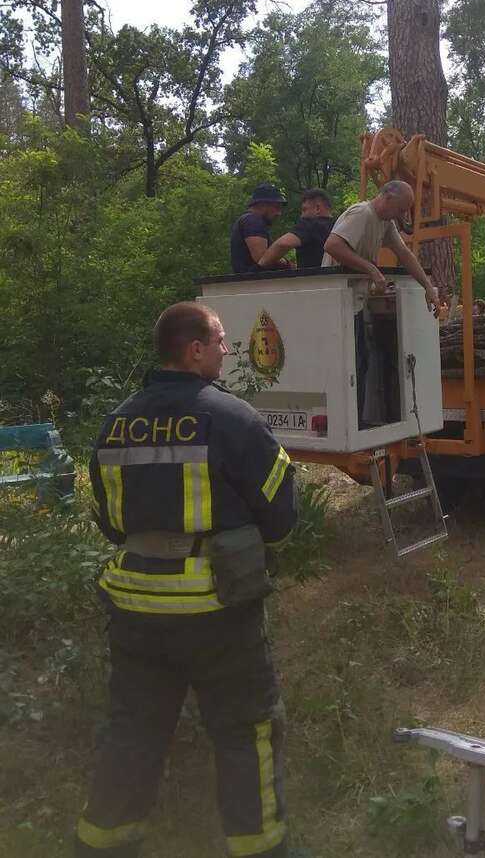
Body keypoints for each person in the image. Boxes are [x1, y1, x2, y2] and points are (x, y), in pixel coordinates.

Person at [75, 302, 296, 858]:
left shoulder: (114, 423)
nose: (226, 350)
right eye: (220, 340)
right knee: (246, 730)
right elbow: (281, 518)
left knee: (132, 731)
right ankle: (259, 846)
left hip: (135, 615)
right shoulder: (233, 419)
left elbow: (109, 522)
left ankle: (102, 843)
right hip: (218, 611)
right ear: (194, 349)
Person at [321, 179, 439, 312]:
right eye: (401, 210)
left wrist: (427, 287)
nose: (402, 216)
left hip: (353, 300)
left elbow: (404, 254)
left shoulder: (386, 223)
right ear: (388, 197)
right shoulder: (363, 213)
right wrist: (372, 270)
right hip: (335, 297)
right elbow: (332, 245)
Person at [256, 188, 335, 270]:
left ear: (317, 208)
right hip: (335, 279)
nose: (302, 216)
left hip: (310, 280)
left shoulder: (310, 224)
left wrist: (260, 266)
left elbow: (283, 244)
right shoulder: (337, 226)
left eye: (304, 210)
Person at [230, 183, 289, 273]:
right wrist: (286, 263)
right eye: (276, 207)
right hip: (254, 284)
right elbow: (262, 258)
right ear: (263, 204)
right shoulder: (252, 221)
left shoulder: (248, 220)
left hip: (250, 283)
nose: (279, 213)